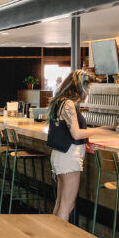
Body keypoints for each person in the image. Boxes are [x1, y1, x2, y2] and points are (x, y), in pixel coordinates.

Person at [48, 70, 96, 221]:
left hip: (61, 155)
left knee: (60, 202)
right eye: (87, 87)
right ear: (79, 86)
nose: (87, 91)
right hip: (69, 158)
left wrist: (86, 143)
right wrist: (100, 131)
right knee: (68, 205)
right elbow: (75, 133)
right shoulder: (68, 104)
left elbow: (67, 132)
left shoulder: (60, 101)